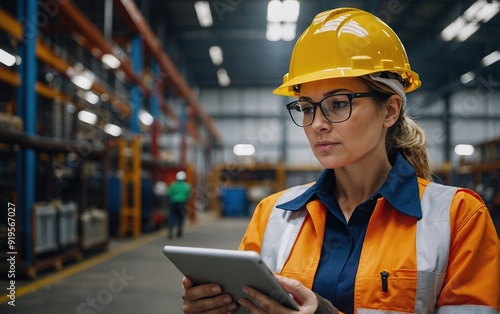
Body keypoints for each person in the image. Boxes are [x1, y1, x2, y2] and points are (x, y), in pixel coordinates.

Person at [181, 7, 500, 314]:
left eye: (338, 104)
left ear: (389, 110)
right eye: (307, 107)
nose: (317, 122)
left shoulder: (458, 219)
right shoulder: (273, 215)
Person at [167, 170, 191, 239]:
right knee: (181, 217)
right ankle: (179, 231)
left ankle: (170, 230)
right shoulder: (186, 186)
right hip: (182, 203)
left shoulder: (173, 185)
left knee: (172, 216)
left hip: (174, 202)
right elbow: (188, 195)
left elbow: (169, 194)